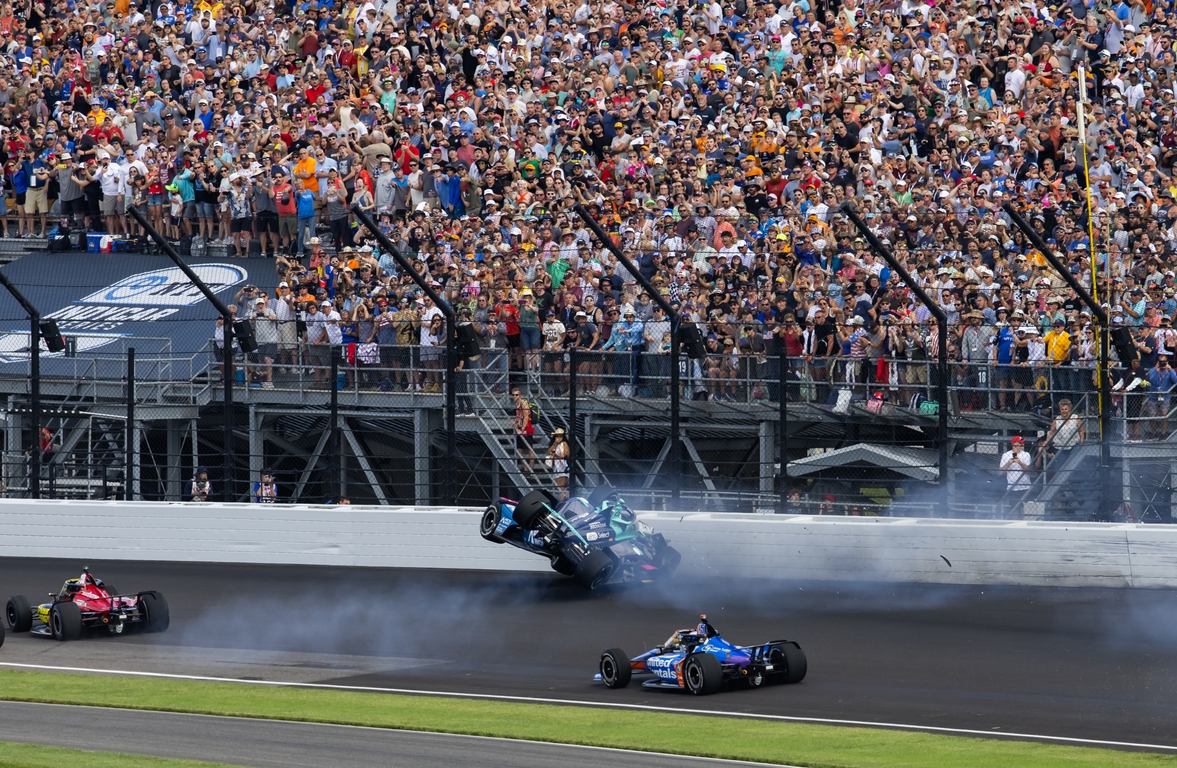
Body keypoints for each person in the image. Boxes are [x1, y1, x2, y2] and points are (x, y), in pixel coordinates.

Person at [999, 436, 1034, 518]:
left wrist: (1020, 462)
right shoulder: (1006, 455)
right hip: (1012, 487)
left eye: (1022, 444)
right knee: (1015, 509)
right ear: (1014, 445)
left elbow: (1029, 471)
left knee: (1027, 510)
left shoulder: (1026, 455)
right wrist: (1009, 463)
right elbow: (1000, 472)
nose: (1021, 446)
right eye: (1019, 444)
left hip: (1025, 486)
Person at [512, 388, 537, 474]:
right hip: (519, 428)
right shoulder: (517, 404)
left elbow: (526, 417)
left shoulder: (523, 403)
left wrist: (522, 430)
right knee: (519, 449)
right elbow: (519, 415)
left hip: (526, 429)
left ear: (520, 395)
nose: (515, 397)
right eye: (514, 395)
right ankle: (525, 468)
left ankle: (531, 471)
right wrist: (515, 422)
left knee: (529, 450)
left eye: (517, 395)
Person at [546, 428, 571, 496]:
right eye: (557, 436)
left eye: (560, 436)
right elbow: (549, 452)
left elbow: (566, 454)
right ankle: (564, 500)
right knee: (561, 488)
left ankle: (563, 501)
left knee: (562, 488)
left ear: (563, 437)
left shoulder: (564, 443)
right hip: (556, 467)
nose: (559, 438)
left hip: (563, 467)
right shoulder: (555, 444)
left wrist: (557, 456)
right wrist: (555, 443)